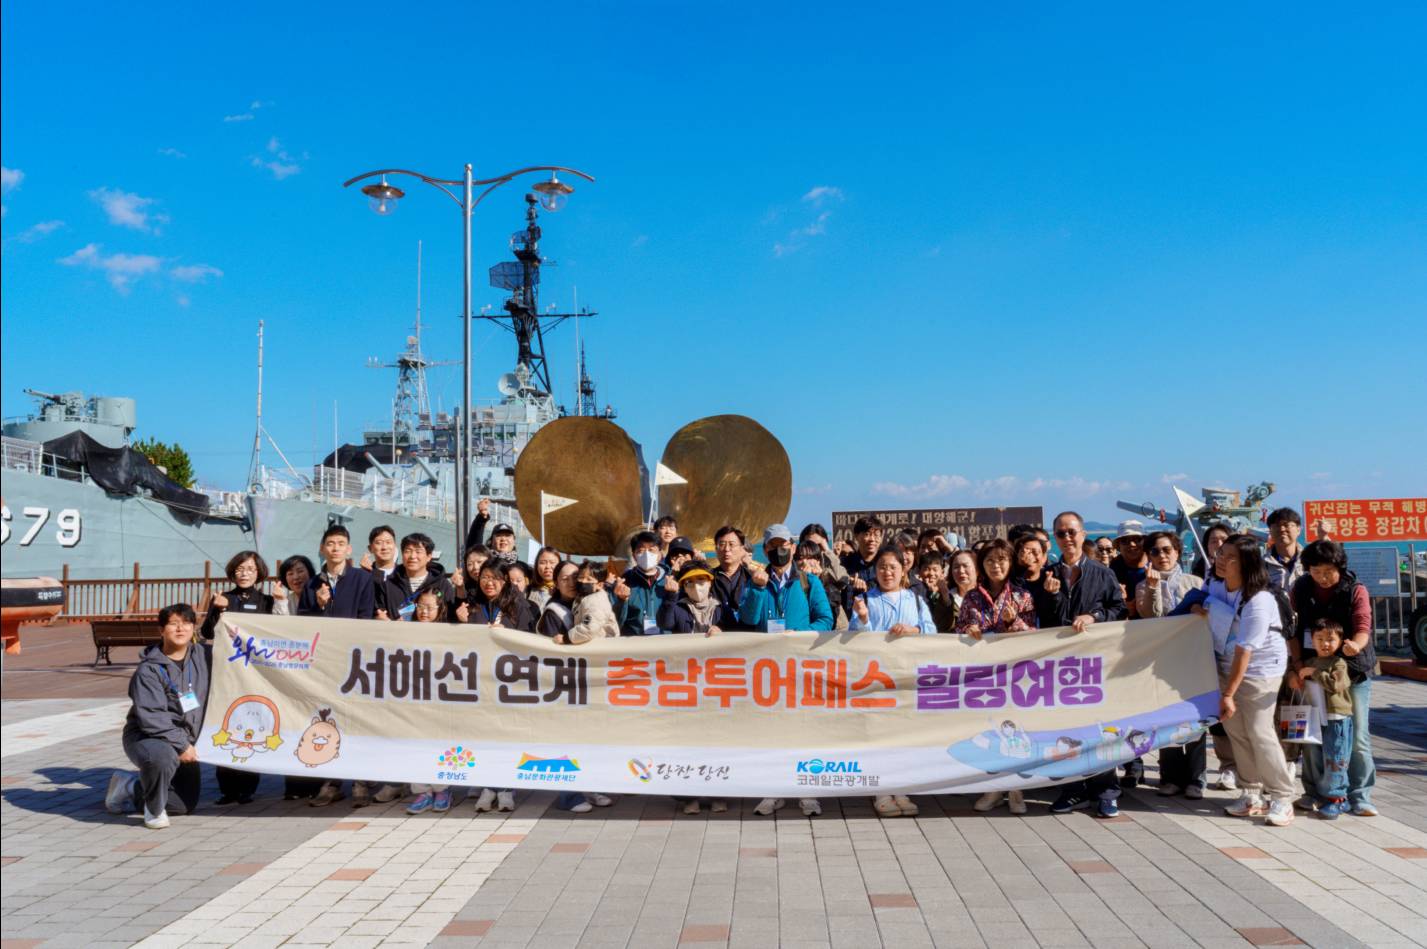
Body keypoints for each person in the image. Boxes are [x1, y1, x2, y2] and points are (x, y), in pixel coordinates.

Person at [1194, 534, 1294, 826]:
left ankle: (1281, 797)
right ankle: (1251, 794)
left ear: (1248, 563)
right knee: (1236, 731)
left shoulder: (1259, 600)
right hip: (1225, 667)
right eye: (1220, 553)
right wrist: (1195, 608)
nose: (1221, 560)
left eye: (1230, 557)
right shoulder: (1214, 583)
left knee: (1260, 732)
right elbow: (1200, 602)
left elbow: (1245, 653)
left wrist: (1228, 694)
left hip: (1260, 672)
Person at [1040, 512, 1128, 818]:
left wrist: (1094, 617)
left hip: (1094, 667)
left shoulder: (1103, 573)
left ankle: (1106, 793)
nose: (1067, 538)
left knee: (1099, 730)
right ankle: (1074, 791)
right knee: (1065, 732)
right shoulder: (1046, 574)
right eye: (1060, 534)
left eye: (1072, 532)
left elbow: (1119, 610)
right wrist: (1049, 596)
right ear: (1055, 538)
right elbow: (1043, 621)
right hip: (1059, 668)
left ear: (1082, 533)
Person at [1288, 539, 1376, 817]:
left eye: (1328, 571)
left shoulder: (1355, 589)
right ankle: (1313, 792)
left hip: (1351, 671)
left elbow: (1363, 624)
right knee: (1311, 735)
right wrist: (1296, 665)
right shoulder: (1300, 588)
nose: (1322, 578)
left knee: (1357, 736)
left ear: (1340, 567)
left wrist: (1356, 646)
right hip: (1310, 671)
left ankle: (1359, 796)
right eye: (1316, 571)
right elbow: (1292, 629)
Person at [105, 604, 209, 830]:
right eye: (174, 623)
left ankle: (130, 785)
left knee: (183, 806)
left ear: (193, 629)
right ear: (161, 630)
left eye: (187, 623)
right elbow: (152, 718)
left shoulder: (203, 656)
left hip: (184, 738)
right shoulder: (148, 671)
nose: (181, 628)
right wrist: (182, 746)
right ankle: (153, 810)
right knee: (163, 758)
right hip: (147, 736)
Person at [848, 545, 934, 818]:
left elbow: (932, 632)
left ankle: (901, 788)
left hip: (907, 679)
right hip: (876, 680)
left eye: (893, 567)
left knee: (901, 735)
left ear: (903, 569)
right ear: (875, 571)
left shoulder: (915, 599)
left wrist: (914, 630)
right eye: (882, 567)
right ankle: (880, 791)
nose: (887, 572)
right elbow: (853, 638)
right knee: (877, 734)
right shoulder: (867, 599)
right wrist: (862, 618)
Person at [199, 551, 275, 806]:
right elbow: (207, 632)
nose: (245, 574)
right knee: (227, 725)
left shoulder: (266, 600)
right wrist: (216, 611)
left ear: (259, 573)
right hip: (226, 673)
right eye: (240, 569)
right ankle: (226, 788)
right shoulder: (223, 598)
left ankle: (248, 787)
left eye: (251, 569)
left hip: (254, 674)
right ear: (233, 572)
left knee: (252, 725)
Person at [1296, 618, 1355, 819]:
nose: (1325, 643)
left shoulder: (1339, 663)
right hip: (1314, 716)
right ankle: (1312, 793)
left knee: (1334, 758)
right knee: (1312, 756)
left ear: (1340, 642)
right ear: (1311, 640)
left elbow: (1335, 685)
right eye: (1319, 638)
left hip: (1336, 718)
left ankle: (1336, 799)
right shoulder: (1309, 661)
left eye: (1330, 639)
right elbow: (1297, 677)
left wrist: (1315, 673)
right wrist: (1293, 677)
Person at [406, 591, 456, 814]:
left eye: (430, 607)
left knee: (440, 740)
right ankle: (422, 791)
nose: (424, 611)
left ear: (441, 609)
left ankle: (443, 788)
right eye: (420, 606)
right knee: (416, 741)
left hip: (441, 697)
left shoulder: (450, 632)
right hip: (413, 696)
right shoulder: (405, 629)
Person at [740, 524, 834, 636]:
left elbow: (826, 621)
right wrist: (758, 588)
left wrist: (798, 633)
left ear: (793, 548)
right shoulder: (754, 582)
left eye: (782, 545)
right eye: (772, 546)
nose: (778, 550)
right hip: (766, 651)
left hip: (797, 650)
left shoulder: (810, 582)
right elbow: (748, 620)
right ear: (765, 552)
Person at [956, 539, 1037, 641]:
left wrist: (1012, 621)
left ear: (1011, 563)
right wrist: (967, 629)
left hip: (1012, 655)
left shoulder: (1023, 596)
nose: (995, 565)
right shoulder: (971, 596)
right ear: (982, 564)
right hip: (980, 654)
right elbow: (958, 628)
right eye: (990, 560)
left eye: (1001, 560)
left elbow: (1033, 634)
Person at [374, 533, 458, 623]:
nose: (412, 556)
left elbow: (450, 617)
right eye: (408, 551)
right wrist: (380, 620)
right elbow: (376, 613)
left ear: (429, 556)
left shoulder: (443, 585)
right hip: (397, 635)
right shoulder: (388, 585)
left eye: (418, 552)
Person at [298, 525, 376, 621]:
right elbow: (302, 621)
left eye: (341, 544)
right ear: (322, 549)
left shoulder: (363, 579)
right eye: (330, 544)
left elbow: (365, 618)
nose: (336, 548)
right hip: (321, 635)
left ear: (349, 549)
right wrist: (319, 606)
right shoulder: (311, 584)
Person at [613, 531, 671, 637]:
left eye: (651, 550)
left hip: (666, 643)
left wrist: (673, 593)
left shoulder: (671, 580)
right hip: (635, 644)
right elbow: (614, 622)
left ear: (659, 556)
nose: (647, 554)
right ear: (634, 556)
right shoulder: (623, 582)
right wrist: (621, 600)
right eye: (641, 550)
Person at [1136, 531, 1203, 619]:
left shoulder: (1195, 582)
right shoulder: (1142, 586)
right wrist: (1152, 588)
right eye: (1155, 552)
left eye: (1166, 550)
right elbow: (1150, 616)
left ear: (1177, 553)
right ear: (1149, 556)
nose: (1162, 555)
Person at [458, 560, 537, 632]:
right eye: (484, 577)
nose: (489, 583)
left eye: (495, 578)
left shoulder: (517, 608)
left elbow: (527, 638)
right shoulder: (471, 606)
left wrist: (508, 633)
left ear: (505, 579)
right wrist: (461, 621)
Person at [800, 524, 850, 629]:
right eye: (809, 545)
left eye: (818, 545)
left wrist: (828, 551)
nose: (814, 549)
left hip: (835, 625)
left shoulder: (831, 565)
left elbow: (840, 578)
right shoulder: (797, 568)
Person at [710, 526, 755, 630]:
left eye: (732, 545)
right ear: (716, 549)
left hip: (748, 637)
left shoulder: (752, 578)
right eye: (721, 544)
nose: (726, 549)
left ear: (742, 550)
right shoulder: (707, 579)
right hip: (716, 637)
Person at [839, 516, 884, 619]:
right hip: (850, 625)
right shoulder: (845, 563)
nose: (872, 539)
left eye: (876, 535)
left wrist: (867, 588)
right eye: (867, 534)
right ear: (856, 536)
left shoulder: (886, 565)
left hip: (879, 624)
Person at [1110, 520, 1149, 622]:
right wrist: (1120, 608)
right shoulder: (1109, 573)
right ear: (1119, 546)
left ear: (1145, 542)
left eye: (1137, 539)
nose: (1132, 544)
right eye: (1125, 541)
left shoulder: (1159, 565)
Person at [537, 560, 581, 640]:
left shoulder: (588, 602)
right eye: (565, 579)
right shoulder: (553, 612)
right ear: (556, 584)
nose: (572, 583)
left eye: (575, 577)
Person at [1264, 507, 1305, 591]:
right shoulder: (1261, 565)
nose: (1282, 529)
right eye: (1276, 526)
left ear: (1298, 529)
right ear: (1270, 531)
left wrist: (1324, 537)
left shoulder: (1310, 560)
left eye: (1287, 525)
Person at [527, 546, 561, 612]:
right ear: (536, 566)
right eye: (543, 563)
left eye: (552, 562)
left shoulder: (566, 591)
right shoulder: (528, 591)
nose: (548, 566)